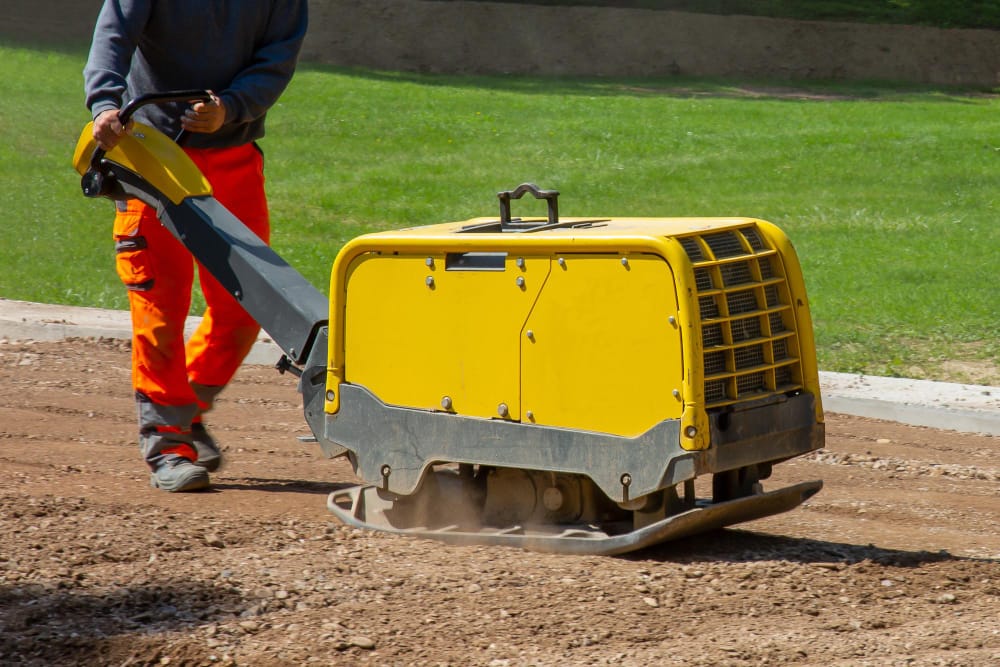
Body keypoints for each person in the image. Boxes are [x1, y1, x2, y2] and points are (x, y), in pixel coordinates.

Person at [83, 1, 308, 492]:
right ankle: (167, 443)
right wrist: (104, 104)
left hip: (234, 158)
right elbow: (114, 36)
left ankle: (184, 414)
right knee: (159, 306)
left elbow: (277, 58)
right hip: (151, 156)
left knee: (247, 308)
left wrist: (231, 106)